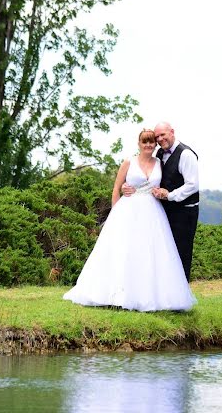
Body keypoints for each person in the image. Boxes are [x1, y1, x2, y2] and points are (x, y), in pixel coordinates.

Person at [63, 129, 196, 312]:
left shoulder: (159, 162)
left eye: (151, 142)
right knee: (124, 250)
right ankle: (117, 293)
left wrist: (160, 192)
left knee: (149, 253)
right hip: (128, 210)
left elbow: (164, 184)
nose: (148, 145)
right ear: (139, 143)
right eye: (145, 142)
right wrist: (115, 214)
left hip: (153, 213)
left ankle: (149, 295)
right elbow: (116, 189)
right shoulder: (129, 162)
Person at [123, 122, 199, 281]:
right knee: (163, 253)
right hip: (162, 211)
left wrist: (169, 195)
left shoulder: (186, 154)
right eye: (157, 136)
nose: (160, 139)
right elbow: (149, 179)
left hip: (184, 211)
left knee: (181, 252)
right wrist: (127, 186)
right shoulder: (158, 155)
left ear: (172, 132)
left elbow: (192, 185)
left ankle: (180, 295)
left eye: (163, 134)